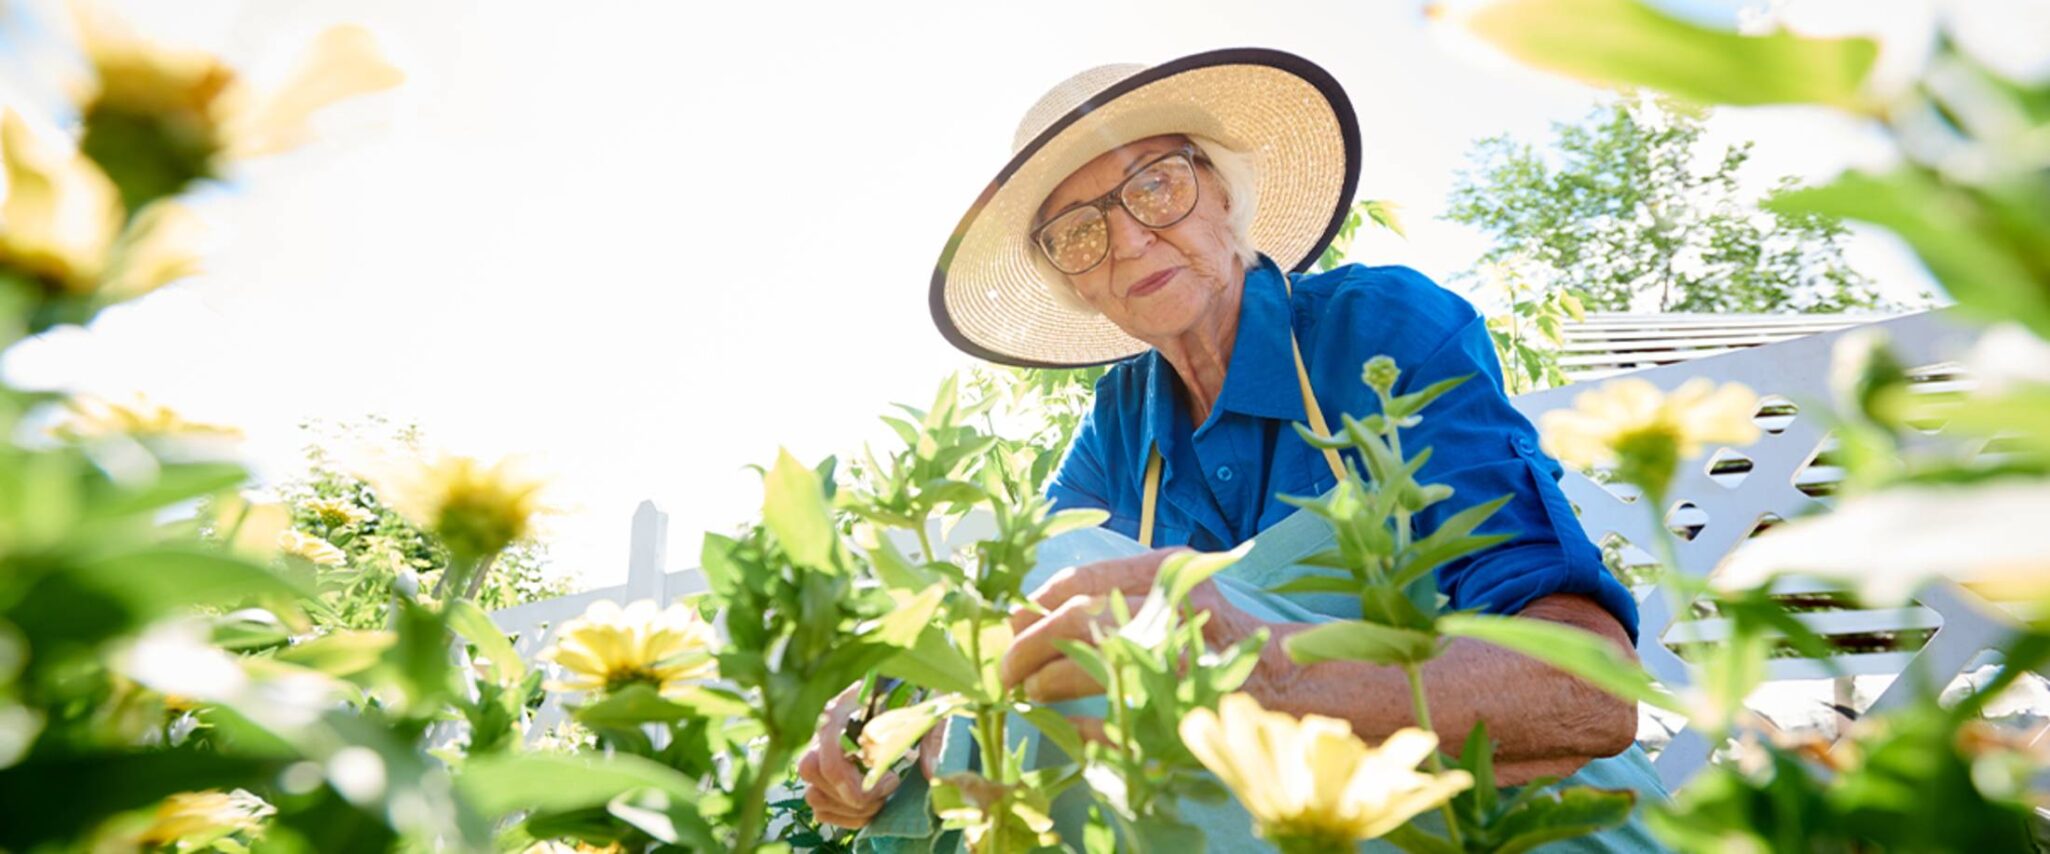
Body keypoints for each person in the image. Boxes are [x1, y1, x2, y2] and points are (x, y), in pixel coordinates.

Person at [800, 48, 1668, 849]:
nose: (1131, 238)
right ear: (1074, 283)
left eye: (1155, 185)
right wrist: (889, 722)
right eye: (1078, 232)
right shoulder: (1120, 424)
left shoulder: (1378, 328)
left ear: (1223, 191)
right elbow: (1016, 614)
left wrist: (1271, 678)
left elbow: (1587, 690)